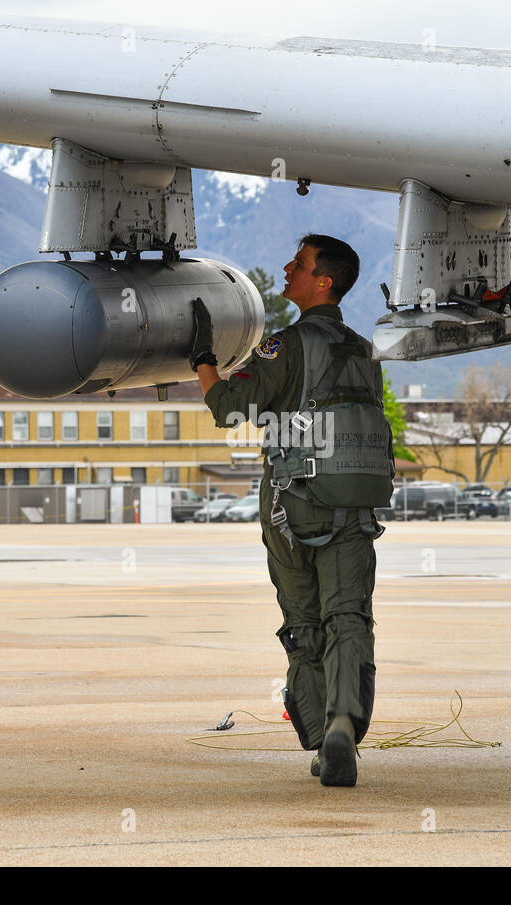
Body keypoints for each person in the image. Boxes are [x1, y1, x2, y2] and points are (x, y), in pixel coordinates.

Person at [191, 234, 394, 787]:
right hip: (355, 508)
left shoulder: (287, 346)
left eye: (299, 264)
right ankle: (343, 727)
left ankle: (317, 736)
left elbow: (231, 410)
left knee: (305, 624)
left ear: (322, 282)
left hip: (293, 508)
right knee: (349, 617)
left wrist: (203, 360)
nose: (287, 268)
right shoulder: (365, 350)